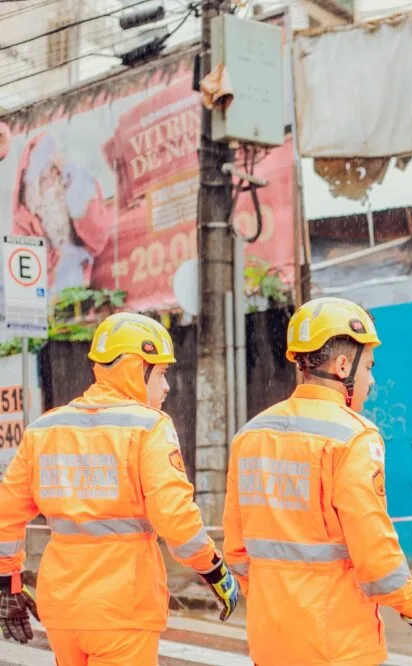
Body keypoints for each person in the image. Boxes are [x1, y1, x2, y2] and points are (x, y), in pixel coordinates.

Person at [223, 297, 412, 666]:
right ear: (343, 366)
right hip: (338, 644)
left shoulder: (251, 435)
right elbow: (375, 552)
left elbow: (237, 550)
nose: (372, 379)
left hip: (270, 641)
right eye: (369, 366)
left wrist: (279, 604)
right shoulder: (353, 438)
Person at [0, 312, 239, 665]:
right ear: (135, 369)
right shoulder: (149, 428)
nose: (167, 386)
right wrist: (215, 570)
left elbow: (6, 514)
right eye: (160, 373)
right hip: (123, 607)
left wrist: (9, 585)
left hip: (63, 608)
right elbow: (176, 521)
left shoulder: (45, 429)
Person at [12, 133, 113, 292]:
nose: (55, 182)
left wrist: (77, 194)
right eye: (46, 177)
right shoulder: (24, 222)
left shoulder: (79, 191)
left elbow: (98, 236)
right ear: (34, 191)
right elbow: (25, 283)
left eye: (57, 172)